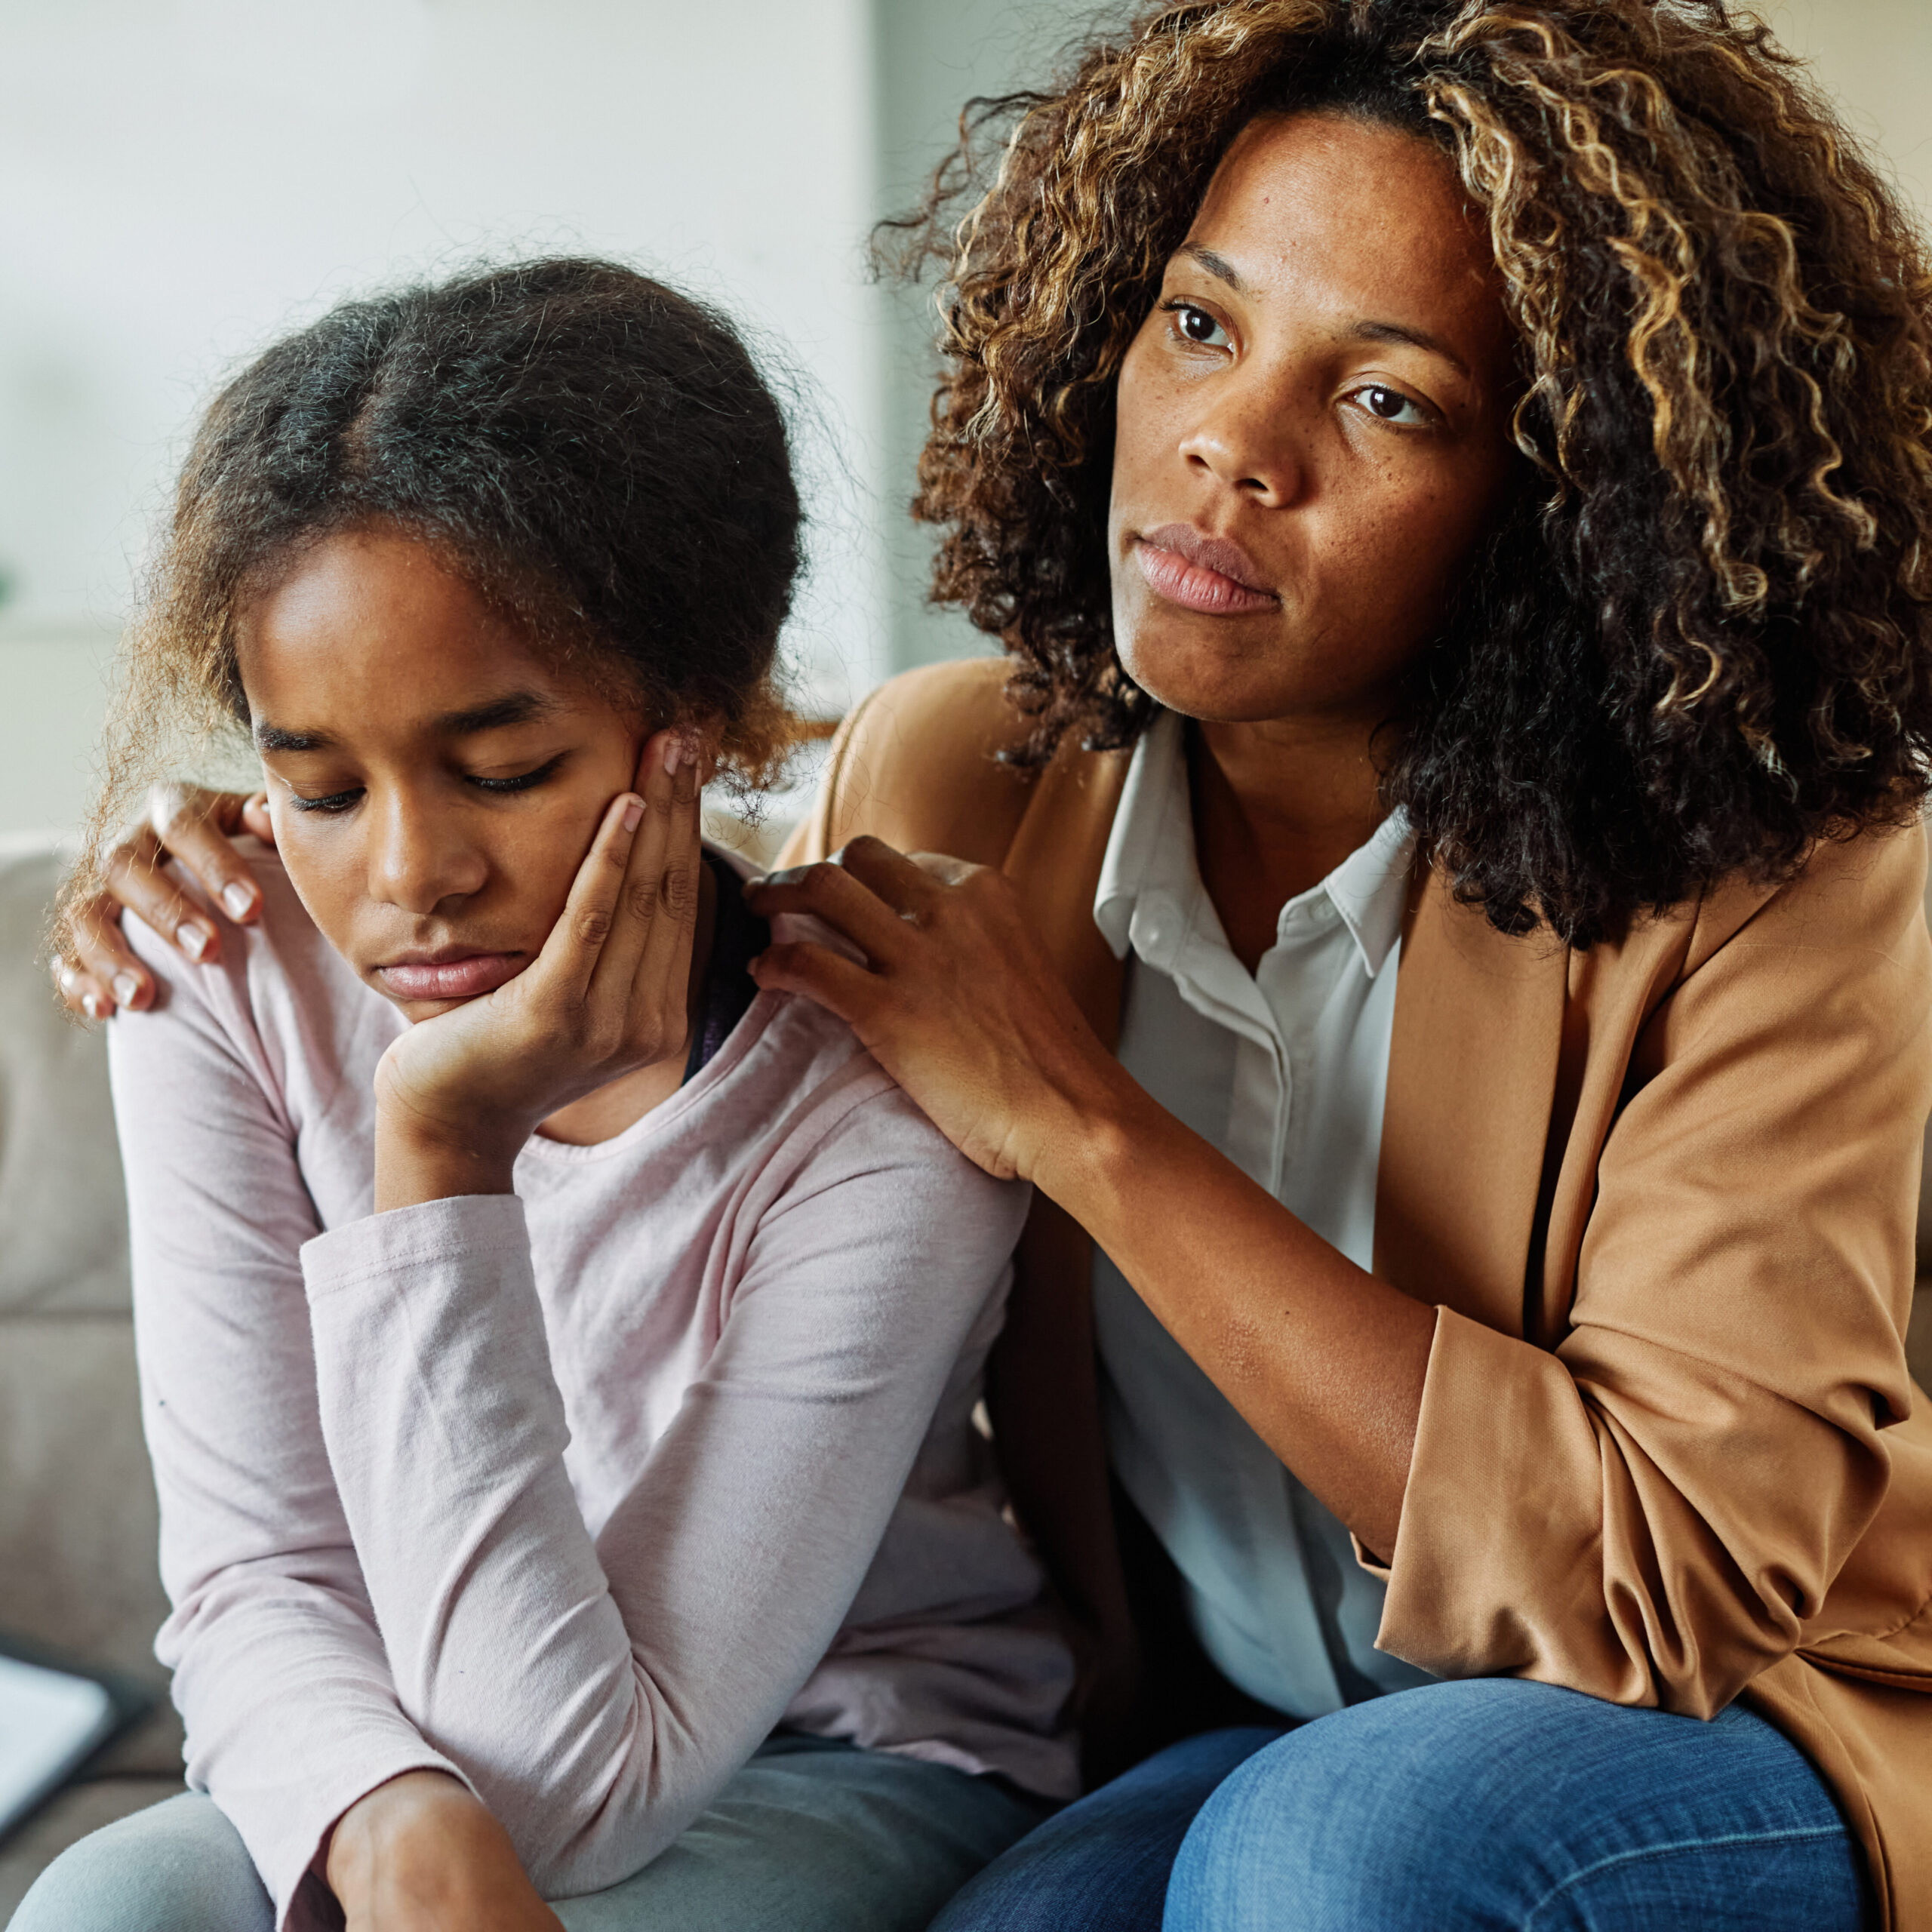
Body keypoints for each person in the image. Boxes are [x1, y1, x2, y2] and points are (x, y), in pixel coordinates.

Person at [57, 2, 1932, 1927]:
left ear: (1569, 492)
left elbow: (1658, 1574)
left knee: (1331, 1862)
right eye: (1197, 325)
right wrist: (224, 838)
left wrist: (1076, 1120)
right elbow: (579, 822)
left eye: (1383, 400)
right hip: (1217, 1719)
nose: (1229, 446)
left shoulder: (1775, 878)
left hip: (1716, 1714)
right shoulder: (956, 768)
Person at [20, 258, 1076, 1932]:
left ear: (704, 723)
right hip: (366, 1738)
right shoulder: (215, 976)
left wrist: (441, 1150)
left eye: (502, 771)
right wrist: (381, 1815)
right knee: (110, 1905)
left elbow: (579, 1790)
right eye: (318, 782)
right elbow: (254, 1579)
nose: (410, 873)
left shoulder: (883, 1092)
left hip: (827, 1763)